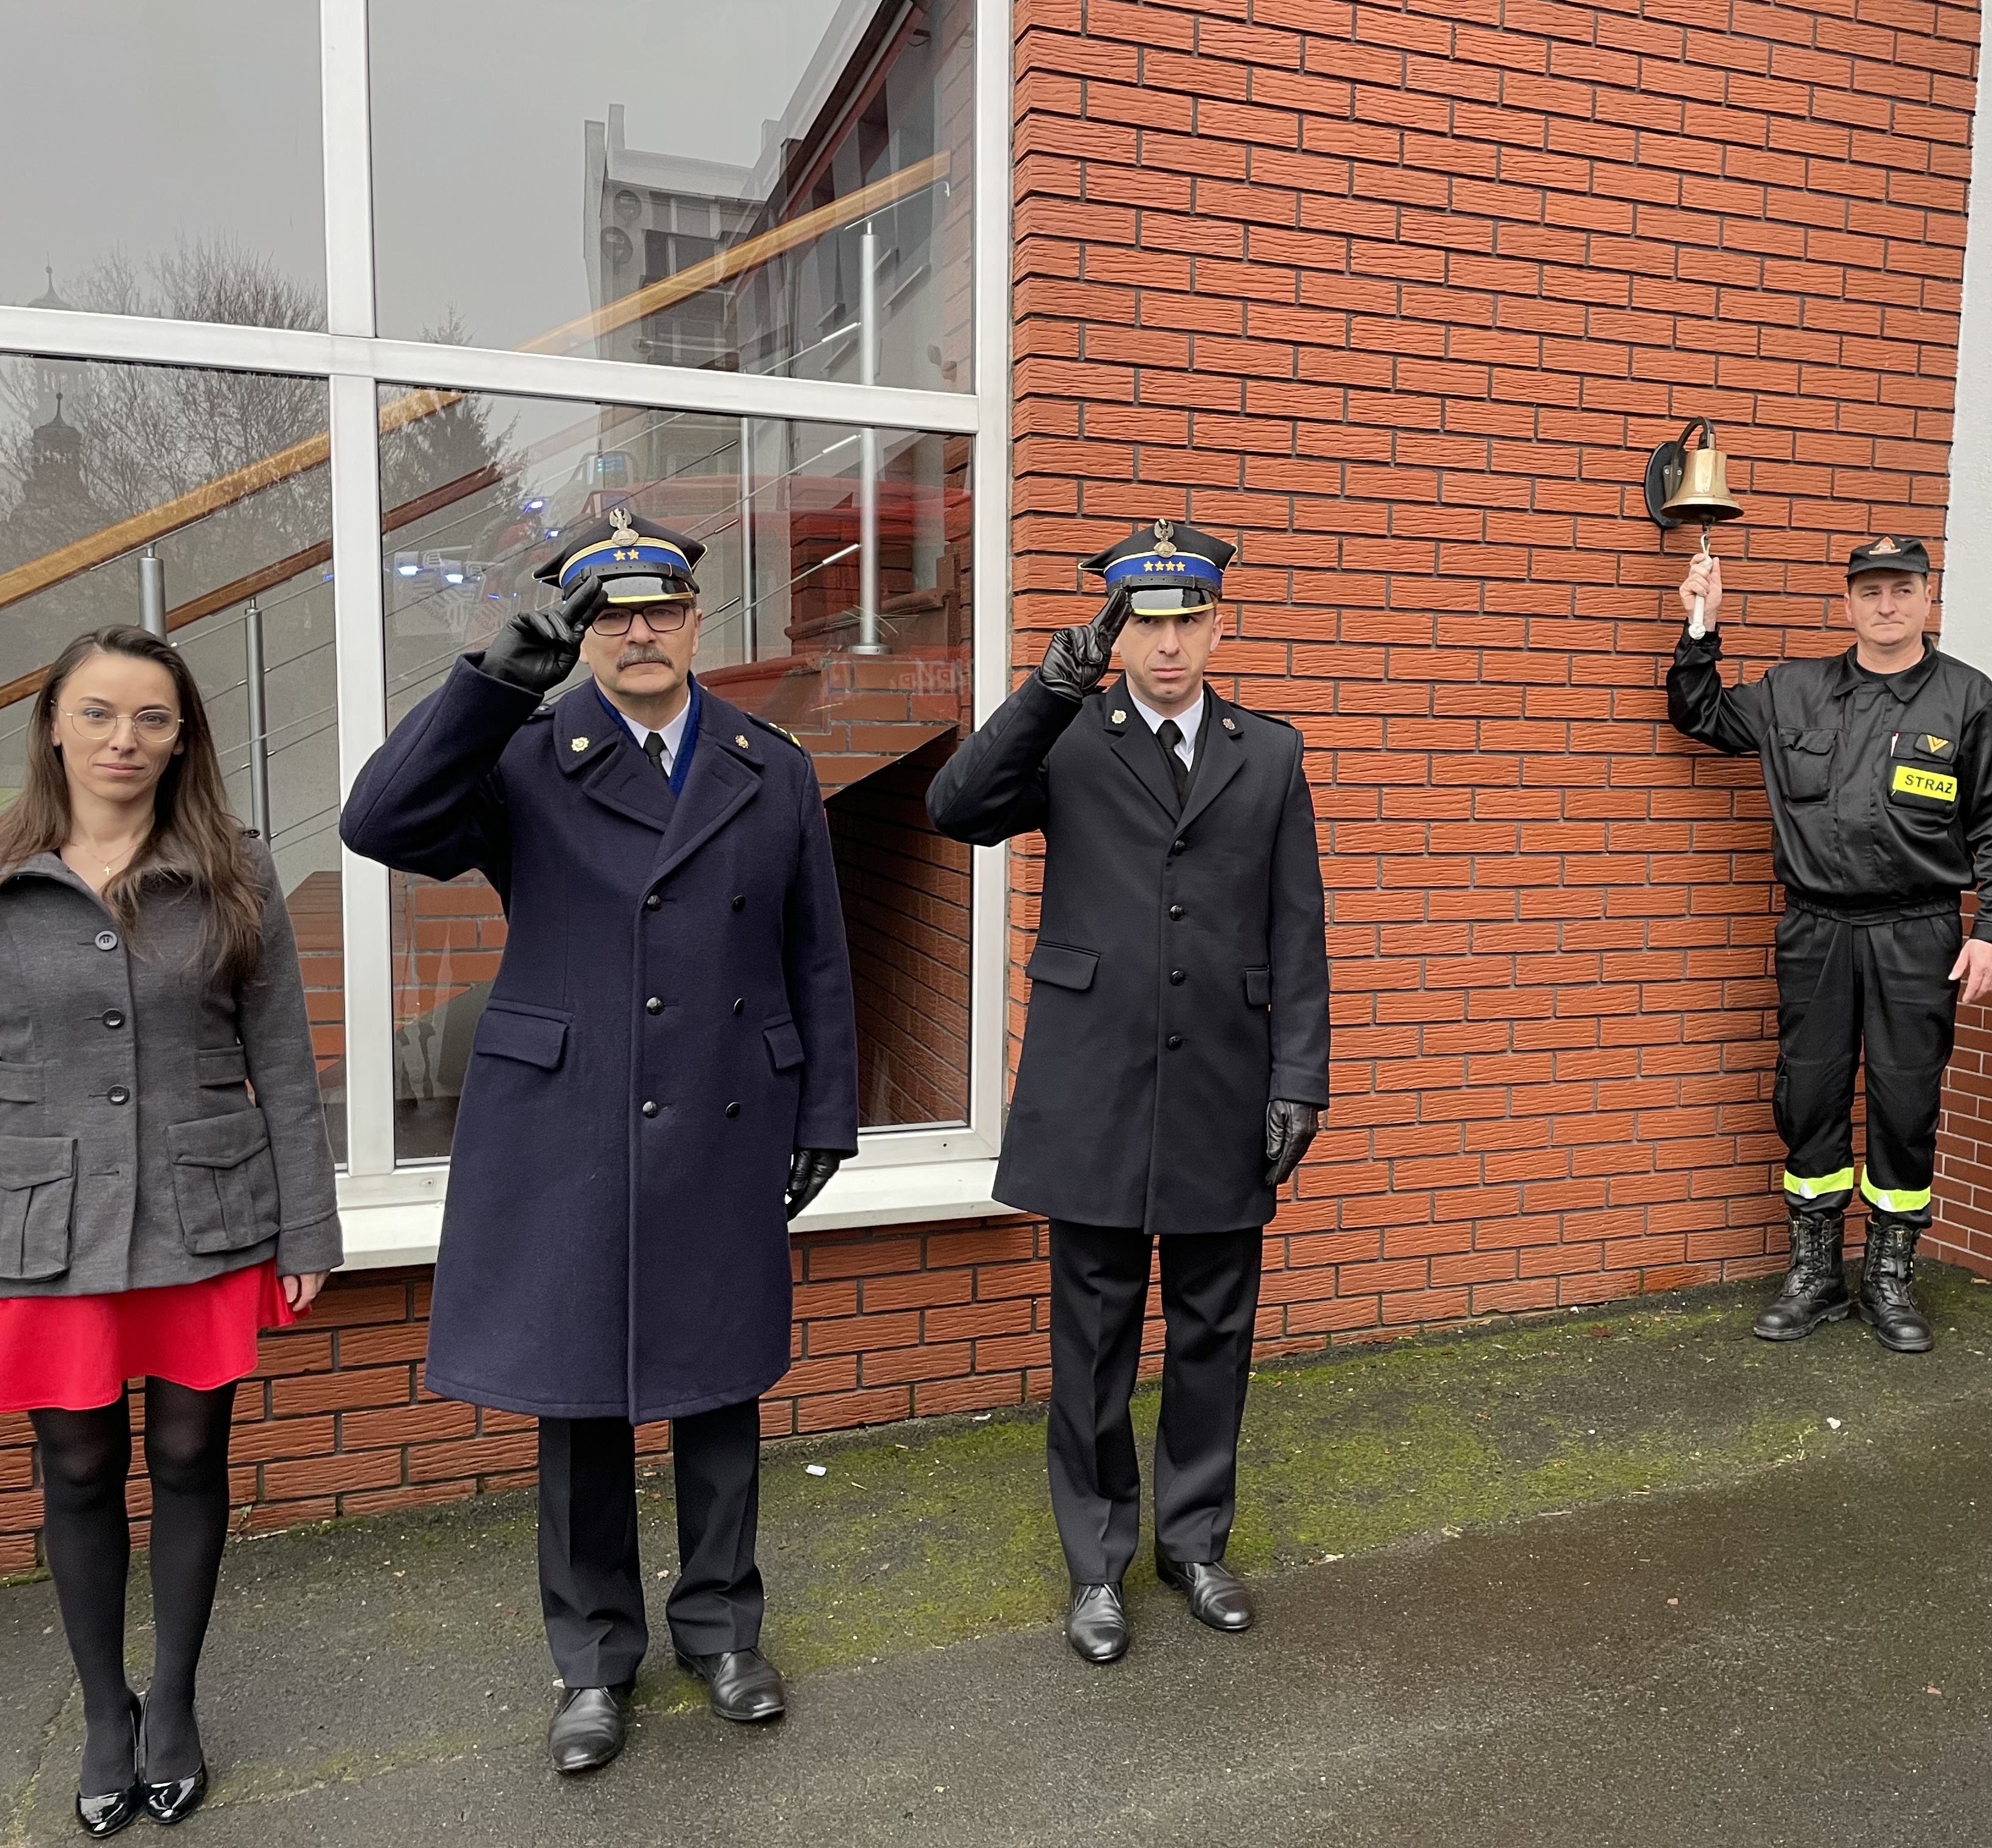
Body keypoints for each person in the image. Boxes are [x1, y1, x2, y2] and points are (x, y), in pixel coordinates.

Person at [339, 509, 859, 1773]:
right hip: (568, 1118)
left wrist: (825, 1114)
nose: (639, 632)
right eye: (609, 615)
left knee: (719, 1387)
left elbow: (816, 952)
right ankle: (592, 1661)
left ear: (695, 620)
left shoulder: (769, 763)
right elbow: (379, 823)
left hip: (726, 1106)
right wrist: (488, 684)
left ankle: (723, 1631)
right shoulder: (522, 754)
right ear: (580, 634)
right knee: (580, 1402)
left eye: (660, 608)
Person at [928, 518, 1331, 1664]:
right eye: (1146, 624)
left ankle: (1195, 1544)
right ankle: (1096, 1563)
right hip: (1094, 1083)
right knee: (1094, 1340)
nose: (1167, 645)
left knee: (1214, 1332)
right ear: (1119, 631)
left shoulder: (1269, 752)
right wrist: (1047, 689)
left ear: (1218, 626)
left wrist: (1300, 1078)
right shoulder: (1068, 736)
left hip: (1224, 1085)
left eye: (1187, 621)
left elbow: (1298, 927)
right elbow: (957, 808)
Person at [0, 626, 337, 1838]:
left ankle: (176, 1700)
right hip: (48, 1222)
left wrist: (308, 1227)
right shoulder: (4, 867)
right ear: (53, 725)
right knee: (78, 1465)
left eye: (151, 717)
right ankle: (106, 1710)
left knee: (191, 1456)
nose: (123, 739)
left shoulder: (233, 867)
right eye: (97, 713)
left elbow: (282, 1059)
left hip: (207, 1210)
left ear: (183, 734)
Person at [1665, 538, 1992, 1354]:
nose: (1887, 606)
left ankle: (1889, 1277)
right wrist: (1702, 624)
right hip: (1817, 929)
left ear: (1927, 597)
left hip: (1919, 931)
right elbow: (1700, 715)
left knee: (1906, 1103)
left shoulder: (1968, 698)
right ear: (1848, 604)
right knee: (1810, 1094)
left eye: (1902, 589)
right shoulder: (1792, 691)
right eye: (1871, 592)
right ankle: (1817, 1274)